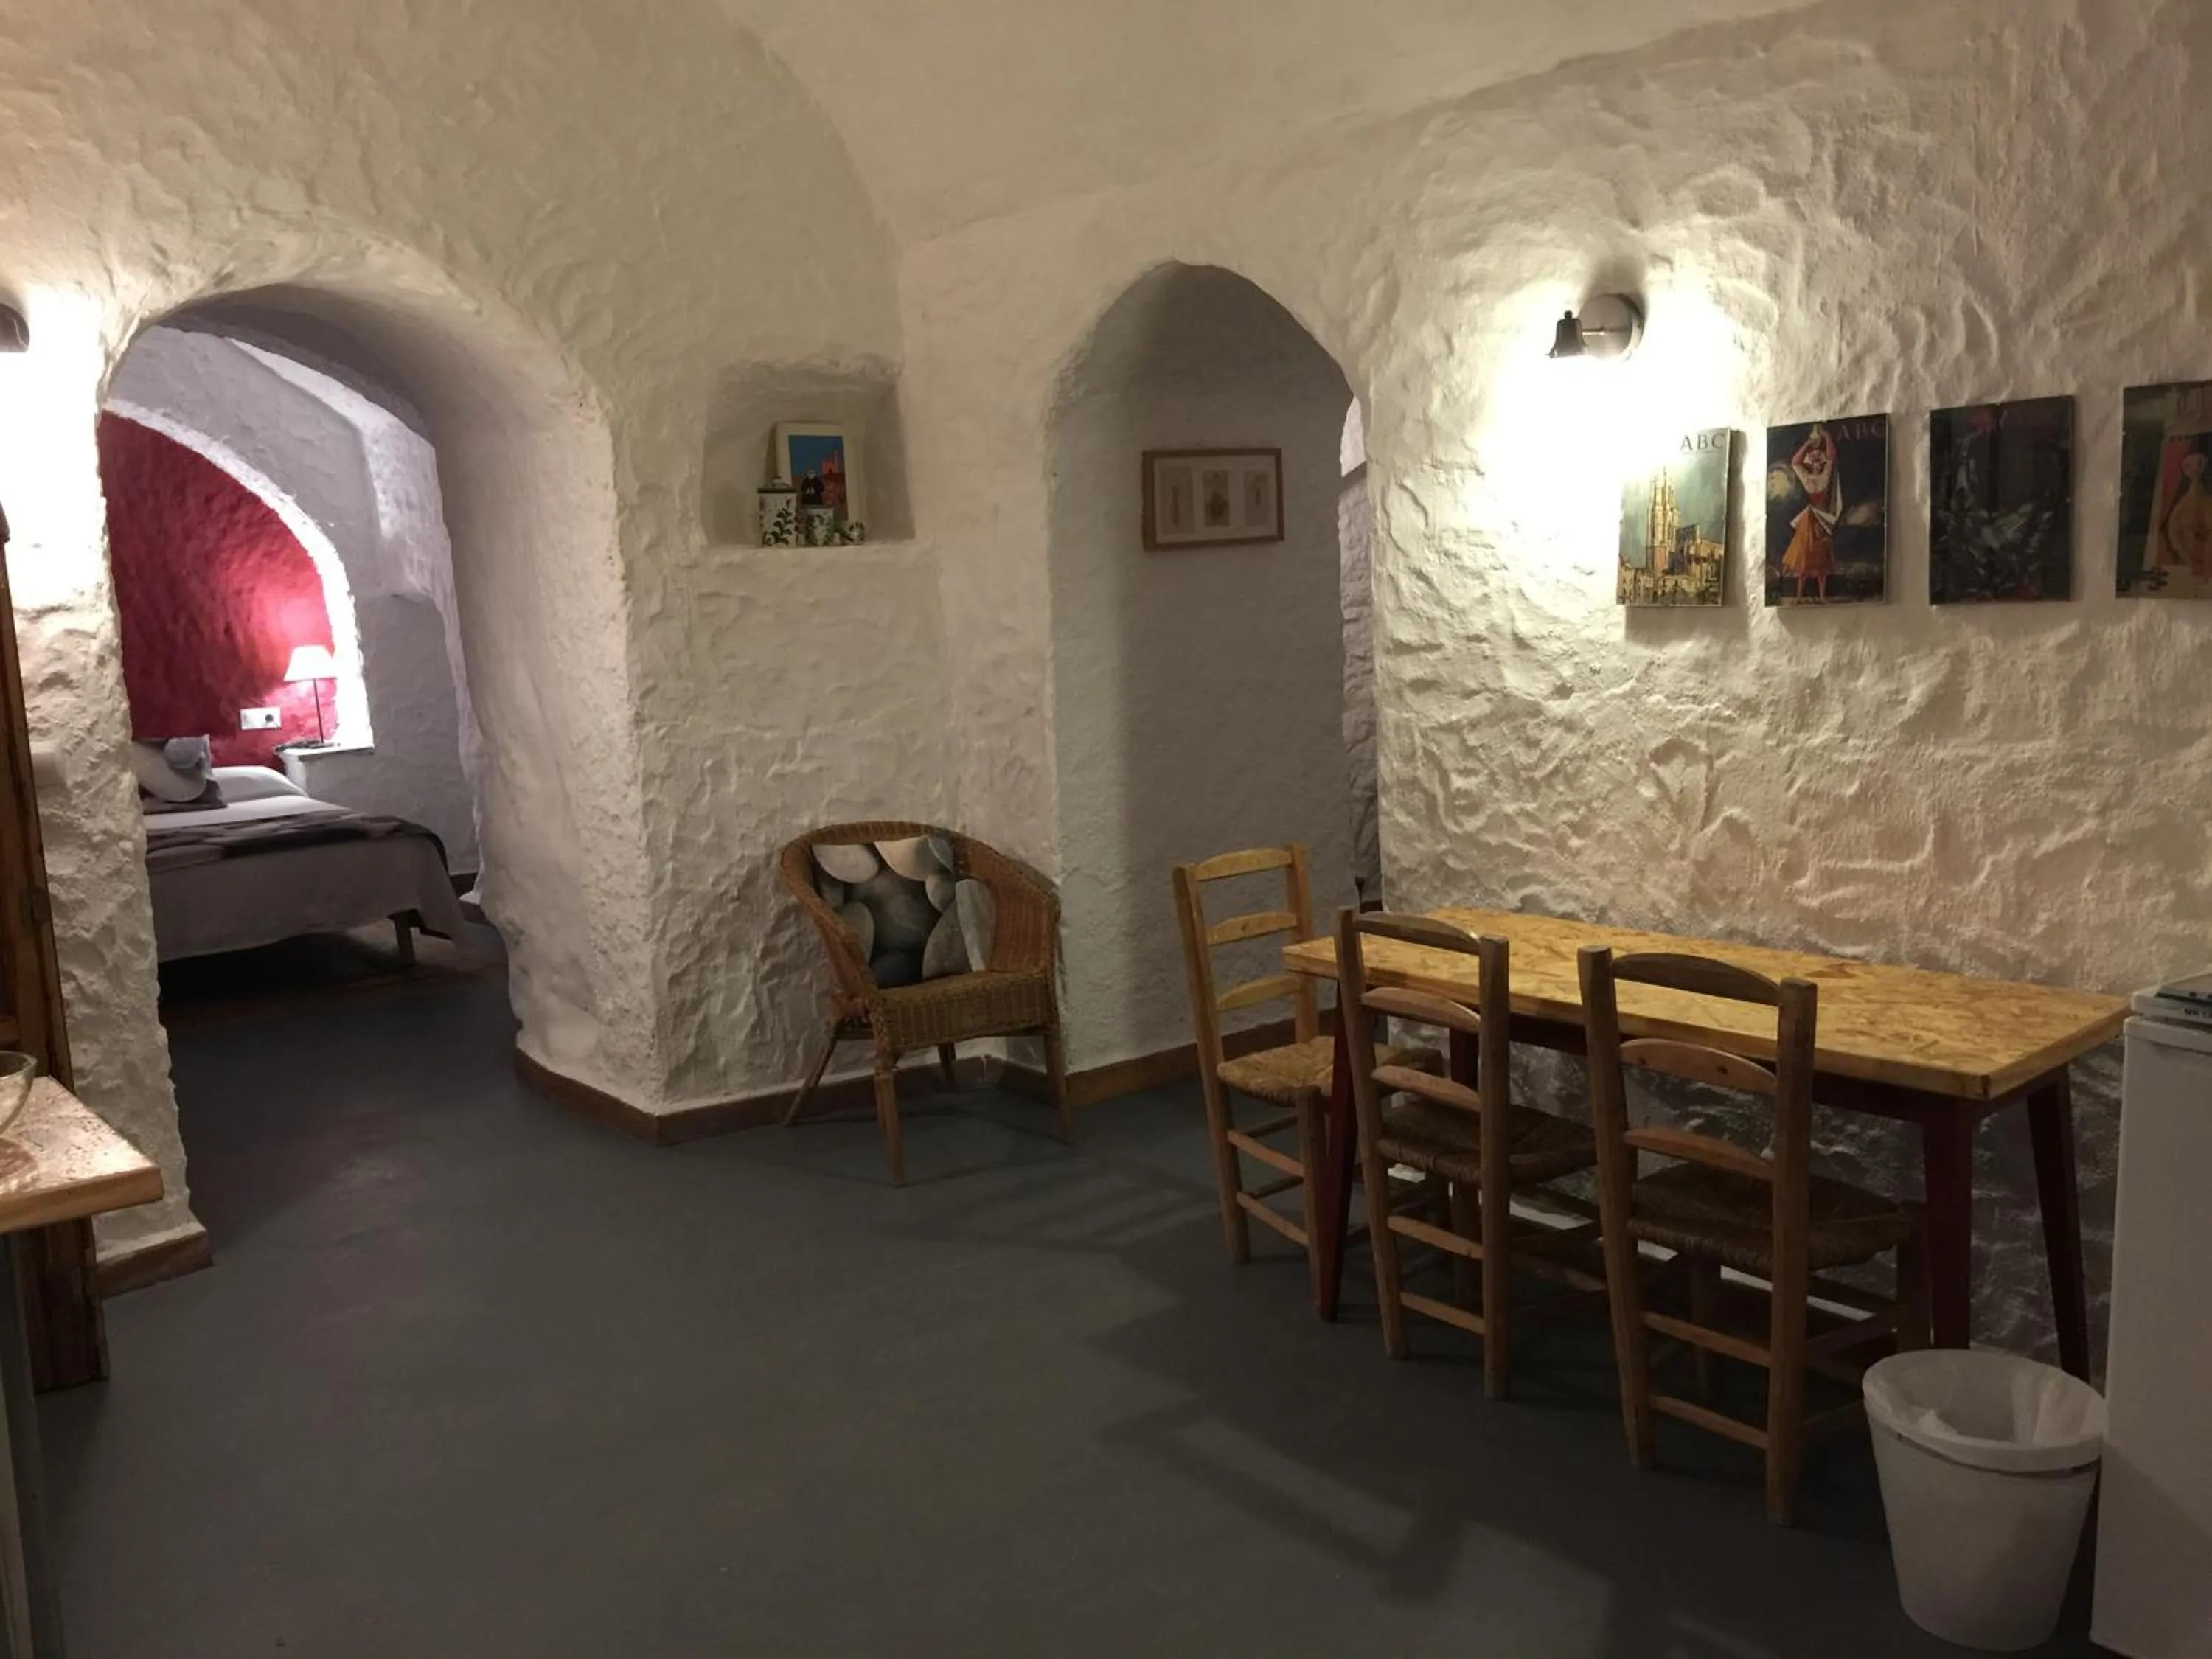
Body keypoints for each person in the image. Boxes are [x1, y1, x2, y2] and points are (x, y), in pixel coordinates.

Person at [1779, 425, 1840, 602]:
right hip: (1811, 518)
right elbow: (1795, 462)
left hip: (1821, 518)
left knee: (1820, 561)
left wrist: (1827, 436)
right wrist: (1808, 443)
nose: (1815, 462)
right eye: (1812, 459)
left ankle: (1821, 597)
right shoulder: (1808, 478)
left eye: (1817, 459)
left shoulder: (1824, 477)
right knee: (1805, 560)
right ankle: (1799, 597)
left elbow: (1831, 456)